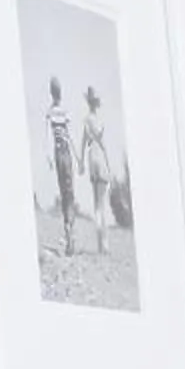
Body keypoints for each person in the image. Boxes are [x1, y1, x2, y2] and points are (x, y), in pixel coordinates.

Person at [77, 86, 116, 255]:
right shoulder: (99, 121)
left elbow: (83, 142)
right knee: (102, 204)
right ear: (96, 103)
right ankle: (104, 246)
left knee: (96, 204)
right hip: (99, 157)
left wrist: (81, 163)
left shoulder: (86, 120)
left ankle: (101, 244)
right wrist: (110, 166)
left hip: (91, 159)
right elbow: (103, 144)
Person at [44, 76, 80, 254]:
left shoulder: (50, 112)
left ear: (51, 92)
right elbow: (70, 135)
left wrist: (49, 157)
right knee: (69, 193)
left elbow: (48, 137)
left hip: (59, 153)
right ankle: (70, 235)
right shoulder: (63, 111)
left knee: (65, 193)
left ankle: (69, 235)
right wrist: (78, 157)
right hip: (65, 152)